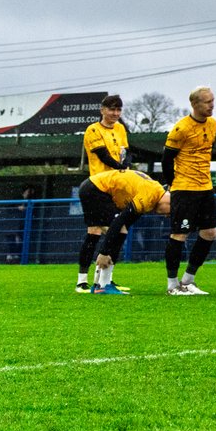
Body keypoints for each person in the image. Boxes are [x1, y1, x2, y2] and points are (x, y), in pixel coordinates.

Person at [160, 86, 216, 295]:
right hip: (184, 188)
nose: (212, 105)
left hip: (205, 187)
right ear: (195, 104)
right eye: (207, 102)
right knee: (179, 234)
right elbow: (167, 161)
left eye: (213, 100)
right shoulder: (181, 129)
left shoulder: (213, 124)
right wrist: (174, 185)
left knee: (210, 233)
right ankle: (172, 284)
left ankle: (188, 280)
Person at [79, 167, 170, 294]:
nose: (166, 216)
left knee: (116, 231)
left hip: (94, 188)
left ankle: (98, 283)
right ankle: (101, 285)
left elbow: (124, 223)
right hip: (96, 189)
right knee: (112, 231)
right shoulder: (149, 195)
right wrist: (104, 252)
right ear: (169, 202)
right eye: (169, 213)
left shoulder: (153, 195)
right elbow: (119, 222)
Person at [75, 94, 130, 293]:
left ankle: (105, 279)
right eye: (111, 109)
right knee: (98, 231)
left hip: (114, 188)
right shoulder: (93, 130)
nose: (115, 113)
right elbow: (103, 155)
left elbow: (125, 152)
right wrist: (121, 168)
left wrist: (126, 168)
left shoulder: (121, 128)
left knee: (111, 231)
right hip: (97, 187)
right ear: (102, 110)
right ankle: (82, 281)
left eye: (118, 109)